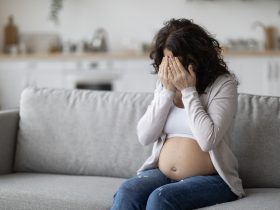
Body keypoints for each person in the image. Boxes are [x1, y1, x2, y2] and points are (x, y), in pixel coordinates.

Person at [110, 18, 245, 210]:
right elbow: (145, 136)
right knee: (128, 191)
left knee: (160, 198)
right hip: (162, 175)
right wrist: (166, 92)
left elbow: (208, 140)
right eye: (168, 62)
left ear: (197, 58)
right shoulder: (165, 85)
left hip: (213, 180)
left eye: (178, 62)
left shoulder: (223, 84)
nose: (173, 70)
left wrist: (189, 92)